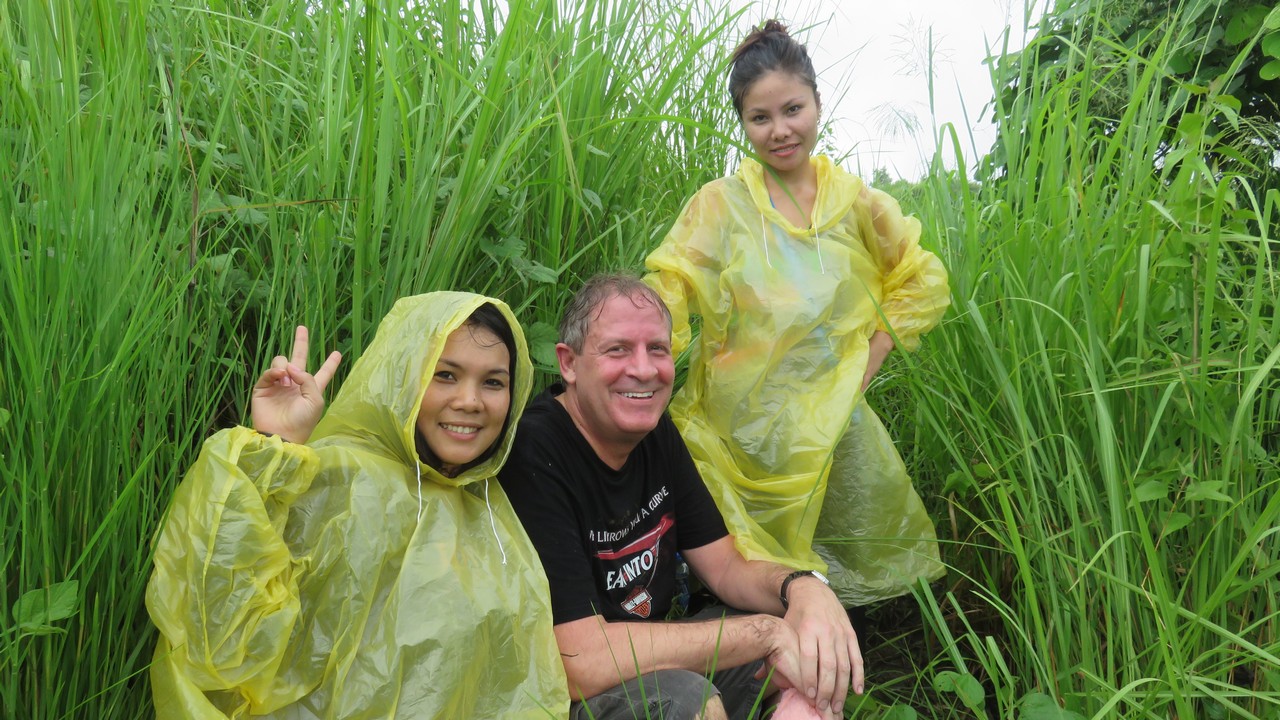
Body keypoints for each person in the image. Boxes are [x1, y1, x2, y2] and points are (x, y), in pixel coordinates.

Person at [643, 20, 951, 609]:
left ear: (817, 102)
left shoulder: (857, 204)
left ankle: (836, 642)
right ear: (742, 123)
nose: (780, 130)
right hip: (738, 427)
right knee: (741, 568)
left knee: (842, 561)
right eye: (760, 118)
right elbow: (671, 284)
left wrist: (868, 361)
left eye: (793, 110)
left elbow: (919, 278)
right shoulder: (721, 205)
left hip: (830, 422)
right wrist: (643, 356)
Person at [146, 293, 569, 719]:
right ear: (404, 378)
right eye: (444, 375)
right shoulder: (338, 480)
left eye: (493, 382)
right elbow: (218, 630)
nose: (469, 401)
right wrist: (273, 446)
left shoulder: (492, 510)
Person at [499, 275, 861, 720]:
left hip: (645, 657)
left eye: (657, 349)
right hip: (565, 695)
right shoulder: (536, 452)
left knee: (814, 645)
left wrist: (803, 587)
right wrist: (764, 633)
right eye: (617, 349)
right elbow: (581, 661)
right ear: (568, 363)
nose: (643, 370)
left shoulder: (653, 433)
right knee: (689, 701)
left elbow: (725, 566)